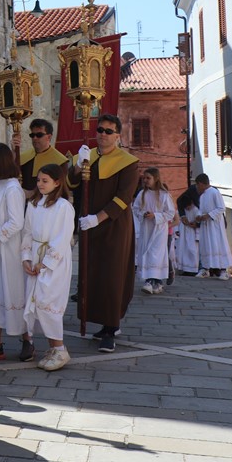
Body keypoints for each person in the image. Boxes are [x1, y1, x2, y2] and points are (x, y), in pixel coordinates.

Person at [68, 113, 140, 354]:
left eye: (109, 131)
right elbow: (71, 184)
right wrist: (77, 166)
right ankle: (101, 321)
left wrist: (97, 218)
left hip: (114, 226)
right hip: (89, 225)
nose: (103, 135)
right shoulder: (87, 156)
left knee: (112, 275)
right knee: (92, 274)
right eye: (100, 130)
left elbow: (124, 198)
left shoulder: (128, 162)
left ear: (118, 136)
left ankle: (111, 327)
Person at [21, 163, 76, 372]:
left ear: (57, 182)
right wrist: (26, 258)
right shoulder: (34, 204)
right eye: (38, 180)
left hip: (54, 261)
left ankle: (60, 349)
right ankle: (53, 348)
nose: (40, 184)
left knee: (48, 301)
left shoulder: (63, 207)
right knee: (36, 303)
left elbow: (62, 239)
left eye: (45, 181)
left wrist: (45, 263)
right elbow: (27, 232)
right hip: (36, 255)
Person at [0, 143, 30, 362]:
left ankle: (27, 340)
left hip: (9, 249)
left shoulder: (12, 188)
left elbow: (16, 222)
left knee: (14, 291)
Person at [133, 168, 176, 295]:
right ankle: (155, 282)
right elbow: (135, 209)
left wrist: (156, 216)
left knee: (155, 253)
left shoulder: (164, 195)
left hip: (159, 230)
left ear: (156, 179)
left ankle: (151, 281)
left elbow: (170, 213)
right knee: (146, 253)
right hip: (146, 229)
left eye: (148, 178)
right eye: (144, 178)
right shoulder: (142, 194)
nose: (145, 180)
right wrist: (143, 214)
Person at [194, 174, 232, 279]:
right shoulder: (202, 196)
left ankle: (224, 270)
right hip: (205, 226)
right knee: (206, 245)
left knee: (218, 245)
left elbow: (221, 208)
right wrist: (198, 216)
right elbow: (201, 209)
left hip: (215, 226)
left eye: (197, 185)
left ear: (201, 184)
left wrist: (208, 215)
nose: (197, 188)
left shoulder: (214, 192)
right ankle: (205, 269)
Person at [14, 119, 66, 193]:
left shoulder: (60, 161)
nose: (35, 138)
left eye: (39, 135)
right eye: (32, 135)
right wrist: (13, 152)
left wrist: (32, 194)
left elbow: (60, 189)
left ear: (49, 137)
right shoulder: (23, 157)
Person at [174, 185, 201, 276]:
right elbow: (178, 219)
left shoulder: (196, 210)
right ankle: (184, 268)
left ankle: (193, 269)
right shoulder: (182, 209)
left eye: (188, 207)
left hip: (192, 233)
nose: (187, 209)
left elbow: (199, 221)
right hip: (183, 232)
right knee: (183, 251)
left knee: (192, 251)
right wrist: (178, 230)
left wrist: (196, 227)